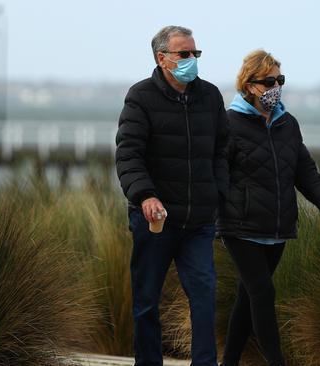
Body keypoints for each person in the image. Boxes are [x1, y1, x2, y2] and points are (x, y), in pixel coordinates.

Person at [216, 50, 320, 366]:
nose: (276, 87)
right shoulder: (229, 124)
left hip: (276, 227)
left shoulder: (288, 124)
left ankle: (229, 362)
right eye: (268, 81)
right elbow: (216, 172)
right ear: (250, 85)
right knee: (263, 294)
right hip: (240, 226)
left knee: (248, 299)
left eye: (280, 80)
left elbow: (304, 170)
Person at [115, 25, 228, 366]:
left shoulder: (210, 96)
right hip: (155, 221)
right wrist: (146, 196)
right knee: (147, 300)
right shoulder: (141, 97)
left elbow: (223, 150)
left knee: (204, 295)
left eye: (195, 53)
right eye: (184, 54)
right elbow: (128, 155)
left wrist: (218, 192)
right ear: (162, 59)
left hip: (198, 222)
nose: (192, 59)